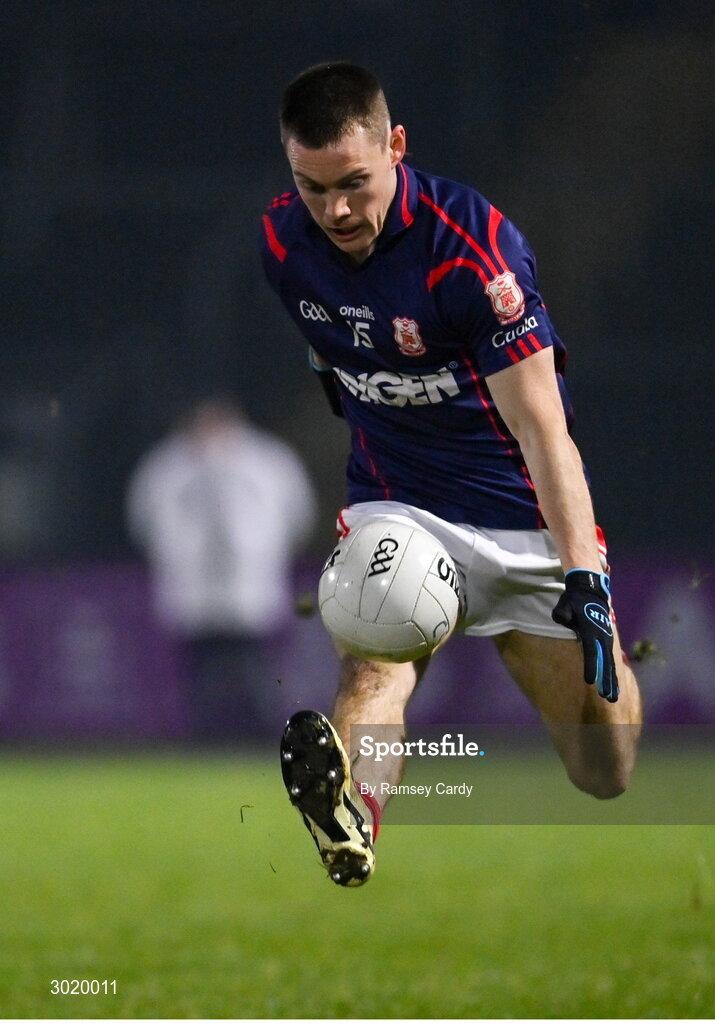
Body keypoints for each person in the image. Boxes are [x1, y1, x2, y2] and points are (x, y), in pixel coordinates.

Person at [260, 63, 643, 885]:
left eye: (355, 184)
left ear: (396, 147)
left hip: (518, 517)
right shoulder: (280, 243)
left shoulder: (471, 249)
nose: (335, 211)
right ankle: (353, 819)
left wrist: (582, 574)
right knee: (374, 664)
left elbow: (542, 429)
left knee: (602, 771)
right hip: (398, 505)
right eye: (312, 186)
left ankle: (597, 653)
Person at [126, 396, 316, 742]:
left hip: (251, 584)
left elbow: (297, 515)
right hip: (190, 585)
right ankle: (199, 735)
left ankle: (262, 733)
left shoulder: (268, 461)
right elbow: (143, 519)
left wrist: (265, 554)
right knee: (198, 669)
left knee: (254, 665)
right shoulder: (167, 464)